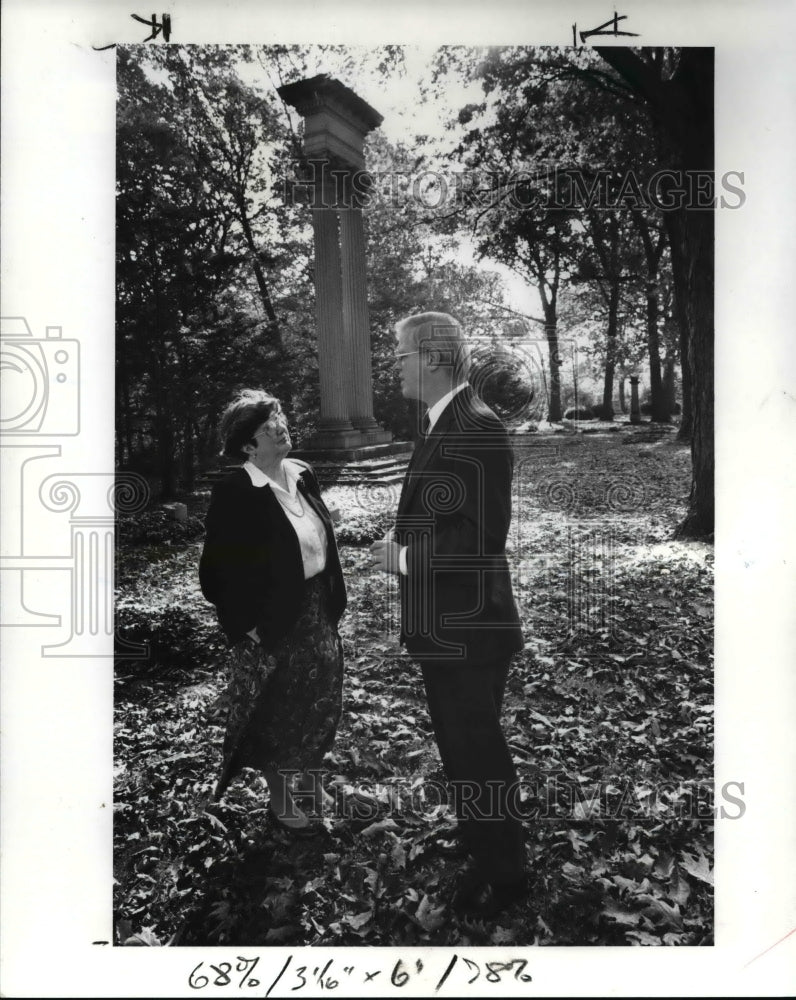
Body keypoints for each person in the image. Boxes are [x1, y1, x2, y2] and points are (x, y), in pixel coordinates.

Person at [370, 312, 527, 917]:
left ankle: (506, 876)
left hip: (470, 629)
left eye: (401, 353)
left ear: (432, 358)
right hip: (449, 625)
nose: (395, 363)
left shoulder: (476, 427)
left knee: (479, 752)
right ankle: (479, 840)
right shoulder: (442, 424)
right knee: (461, 747)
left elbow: (481, 541)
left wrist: (403, 557)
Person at [199, 389, 346, 834]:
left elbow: (318, 538)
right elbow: (216, 574)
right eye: (268, 427)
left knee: (320, 703)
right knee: (279, 713)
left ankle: (306, 781)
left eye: (280, 417)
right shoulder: (236, 492)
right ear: (248, 445)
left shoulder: (302, 474)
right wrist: (246, 628)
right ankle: (282, 800)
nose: (281, 427)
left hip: (318, 609)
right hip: (272, 621)